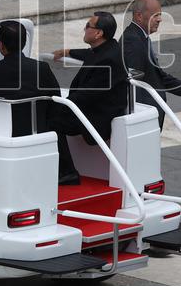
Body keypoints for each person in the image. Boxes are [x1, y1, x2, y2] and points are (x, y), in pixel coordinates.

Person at [52, 11, 129, 184]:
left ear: (98, 33)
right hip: (92, 108)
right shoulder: (109, 48)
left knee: (51, 121)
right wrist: (68, 51)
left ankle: (68, 172)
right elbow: (90, 54)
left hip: (97, 117)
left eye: (88, 26)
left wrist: (58, 103)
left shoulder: (109, 59)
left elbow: (88, 95)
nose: (84, 28)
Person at [122, 0, 181, 129]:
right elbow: (134, 85)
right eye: (155, 15)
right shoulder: (133, 42)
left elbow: (157, 76)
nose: (160, 19)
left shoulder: (140, 37)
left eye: (160, 15)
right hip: (143, 117)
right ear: (139, 16)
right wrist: (139, 118)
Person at [0, 20, 62, 138]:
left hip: (1, 136)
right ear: (24, 43)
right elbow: (56, 103)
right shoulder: (42, 69)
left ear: (1, 45)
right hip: (36, 135)